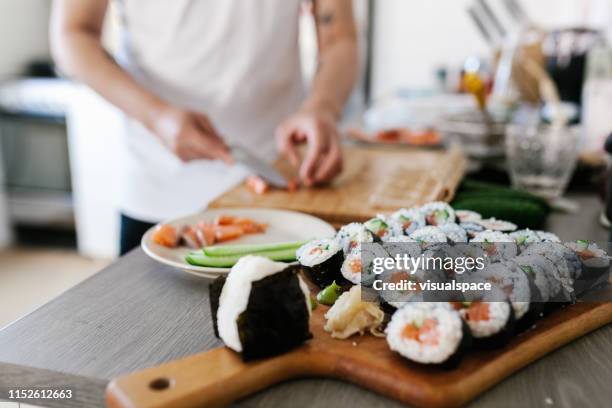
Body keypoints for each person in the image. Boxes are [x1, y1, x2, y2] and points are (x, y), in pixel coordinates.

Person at [50, 0, 359, 255]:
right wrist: (155, 116)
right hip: (160, 193)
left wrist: (322, 107)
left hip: (283, 181)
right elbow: (72, 34)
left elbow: (340, 38)